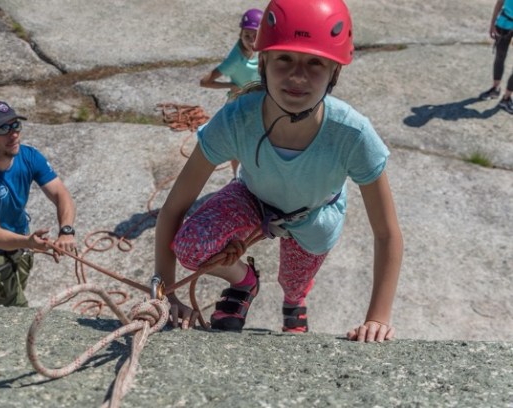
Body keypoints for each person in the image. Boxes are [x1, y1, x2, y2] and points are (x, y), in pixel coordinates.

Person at [155, 0, 403, 343]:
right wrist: (165, 293)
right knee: (192, 246)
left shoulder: (353, 134)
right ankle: (244, 281)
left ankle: (294, 300)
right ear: (264, 63)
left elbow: (387, 233)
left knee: (293, 280)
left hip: (314, 215)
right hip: (254, 198)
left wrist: (377, 318)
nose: (298, 75)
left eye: (315, 62)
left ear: (335, 71)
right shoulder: (236, 119)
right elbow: (173, 208)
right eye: (284, 58)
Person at [0, 100, 77, 307]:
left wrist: (66, 231)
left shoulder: (29, 157)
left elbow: (60, 193)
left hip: (21, 241)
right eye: (3, 128)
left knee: (17, 296)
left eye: (15, 125)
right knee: (14, 310)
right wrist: (28, 241)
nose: (13, 134)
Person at [199, 8, 264, 176]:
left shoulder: (259, 50)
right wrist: (230, 86)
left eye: (255, 35)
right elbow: (205, 82)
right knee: (237, 144)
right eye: (246, 36)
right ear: (240, 34)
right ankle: (236, 177)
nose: (251, 41)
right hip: (238, 105)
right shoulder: (235, 60)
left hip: (257, 101)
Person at [479, 0, 513, 114]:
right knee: (500, 57)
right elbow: (500, 2)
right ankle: (495, 88)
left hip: (505, 23)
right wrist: (492, 24)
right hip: (504, 23)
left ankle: (507, 98)